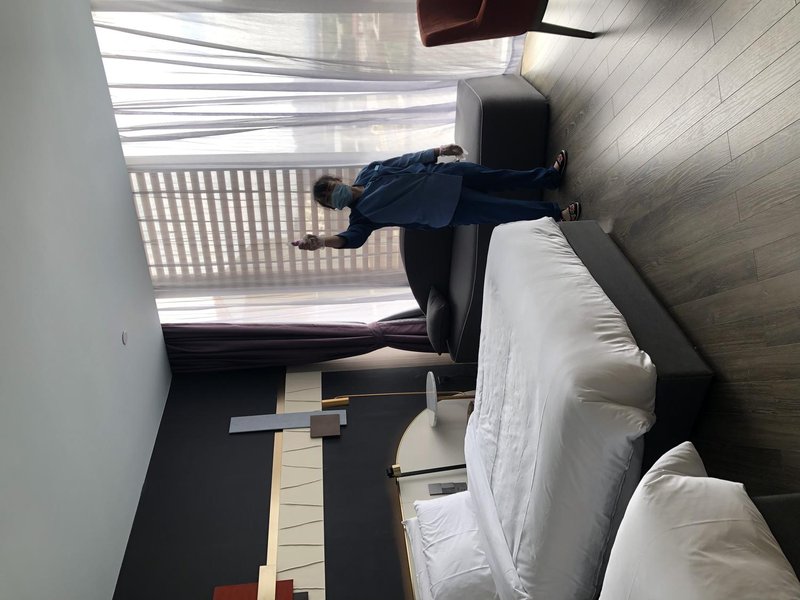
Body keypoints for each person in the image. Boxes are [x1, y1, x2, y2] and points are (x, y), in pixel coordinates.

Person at [293, 144, 580, 251]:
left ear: (337, 180)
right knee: (504, 209)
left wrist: (437, 151)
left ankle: (549, 177)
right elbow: (351, 239)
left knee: (501, 177)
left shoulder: (369, 172)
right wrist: (323, 241)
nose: (332, 194)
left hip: (446, 175)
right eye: (328, 198)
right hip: (448, 208)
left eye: (329, 187)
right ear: (333, 207)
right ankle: (557, 214)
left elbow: (403, 160)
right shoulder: (362, 218)